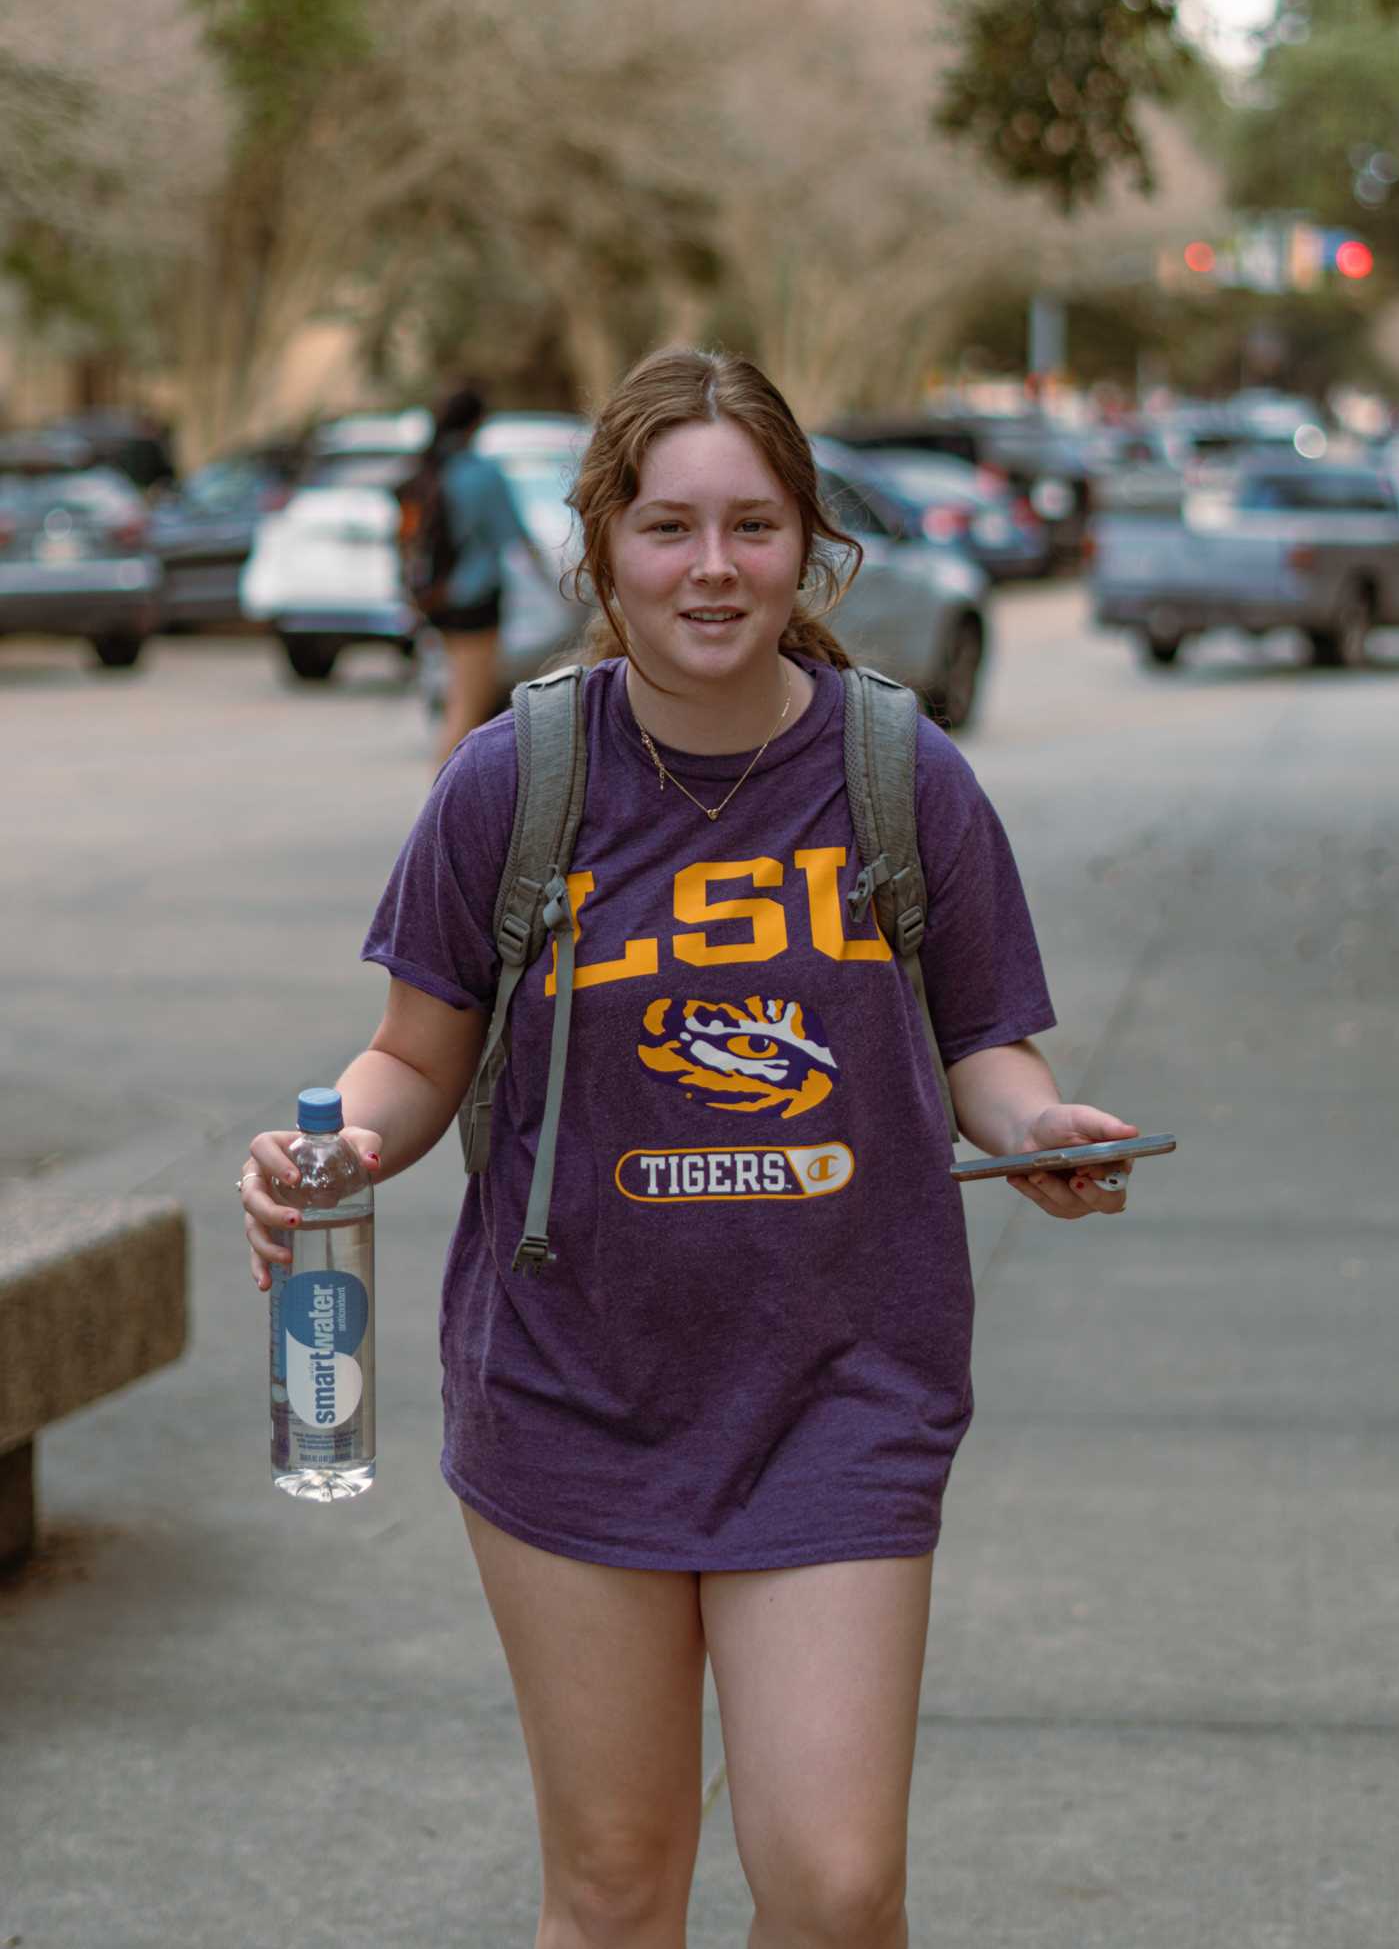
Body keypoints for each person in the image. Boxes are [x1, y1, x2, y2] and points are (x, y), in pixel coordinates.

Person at [240, 345, 1139, 1949]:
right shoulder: (514, 779)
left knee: (838, 1885)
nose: (710, 568)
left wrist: (1032, 1125)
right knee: (611, 1884)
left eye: (751, 526)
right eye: (666, 528)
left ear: (808, 546)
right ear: (602, 547)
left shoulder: (899, 774)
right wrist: (331, 1153)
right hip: (573, 1385)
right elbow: (409, 1057)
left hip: (841, 1383)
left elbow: (982, 1044)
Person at [408, 382, 529, 769]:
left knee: (461, 696)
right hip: (476, 598)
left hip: (440, 599)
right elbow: (511, 534)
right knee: (468, 705)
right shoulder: (481, 473)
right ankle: (444, 802)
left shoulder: (432, 469)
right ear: (478, 423)